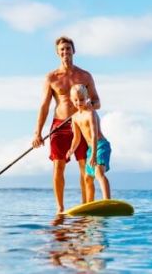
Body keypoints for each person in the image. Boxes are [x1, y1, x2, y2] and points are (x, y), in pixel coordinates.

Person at [32, 36, 100, 214]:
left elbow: (97, 101)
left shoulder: (85, 76)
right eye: (62, 50)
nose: (65, 52)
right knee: (58, 166)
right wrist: (37, 133)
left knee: (85, 166)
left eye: (68, 49)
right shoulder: (51, 78)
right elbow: (44, 106)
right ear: (57, 53)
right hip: (59, 126)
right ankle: (60, 208)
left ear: (73, 51)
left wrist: (88, 106)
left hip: (81, 124)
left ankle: (86, 205)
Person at [66, 84, 111, 202]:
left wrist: (94, 154)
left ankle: (107, 201)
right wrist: (71, 149)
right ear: (71, 99)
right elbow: (77, 138)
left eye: (81, 99)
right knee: (87, 178)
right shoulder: (75, 117)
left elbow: (94, 134)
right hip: (91, 149)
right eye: (75, 100)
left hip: (100, 145)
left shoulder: (90, 113)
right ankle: (90, 204)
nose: (79, 102)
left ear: (86, 98)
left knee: (98, 173)